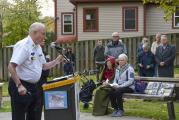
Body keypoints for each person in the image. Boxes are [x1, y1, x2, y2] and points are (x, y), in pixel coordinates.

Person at [8, 22, 64, 120]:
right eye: (43, 33)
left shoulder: (37, 47)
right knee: (19, 116)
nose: (45, 36)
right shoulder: (24, 46)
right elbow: (11, 66)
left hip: (34, 86)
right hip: (21, 86)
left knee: (34, 115)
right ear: (34, 33)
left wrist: (56, 61)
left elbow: (44, 66)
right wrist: (19, 85)